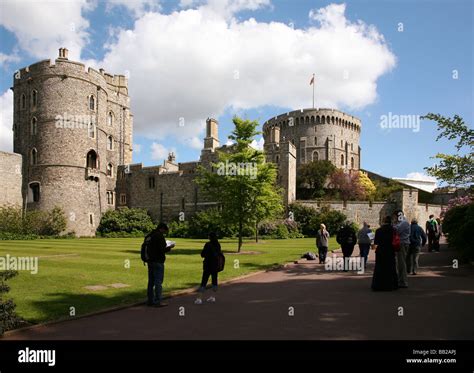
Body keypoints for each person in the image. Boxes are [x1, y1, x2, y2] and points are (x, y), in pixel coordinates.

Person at [147, 223, 173, 307]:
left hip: (150, 261)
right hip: (158, 261)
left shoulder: (150, 235)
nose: (164, 233)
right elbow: (162, 249)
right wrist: (170, 247)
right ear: (162, 229)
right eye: (164, 231)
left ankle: (150, 300)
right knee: (158, 281)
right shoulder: (159, 236)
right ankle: (158, 301)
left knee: (151, 281)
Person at [371, 216, 398, 291]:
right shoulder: (394, 230)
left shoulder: (378, 230)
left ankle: (379, 285)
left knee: (380, 268)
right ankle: (391, 285)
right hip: (390, 250)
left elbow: (376, 242)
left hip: (381, 251)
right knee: (390, 268)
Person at [195, 232, 222, 304]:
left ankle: (199, 298)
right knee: (214, 281)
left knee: (204, 281)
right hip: (215, 265)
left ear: (210, 237)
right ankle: (213, 297)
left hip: (208, 265)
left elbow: (202, 254)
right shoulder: (218, 245)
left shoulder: (207, 244)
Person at [393, 210, 410, 288]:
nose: (394, 218)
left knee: (401, 263)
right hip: (400, 244)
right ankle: (400, 280)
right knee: (399, 263)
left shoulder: (404, 223)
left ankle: (403, 281)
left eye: (395, 216)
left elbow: (397, 231)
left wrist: (393, 226)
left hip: (402, 244)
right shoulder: (400, 223)